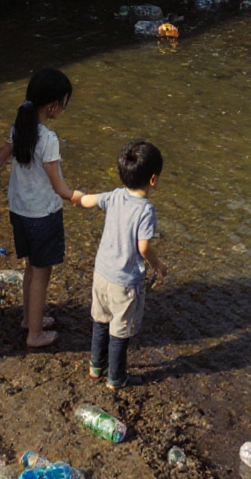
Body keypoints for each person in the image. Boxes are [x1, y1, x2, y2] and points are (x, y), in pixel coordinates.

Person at [0, 68, 78, 348]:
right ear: (54, 105)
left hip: (19, 212)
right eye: (65, 102)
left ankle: (28, 320)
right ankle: (35, 334)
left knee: (31, 269)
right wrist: (83, 197)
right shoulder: (48, 140)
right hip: (43, 216)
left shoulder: (19, 128)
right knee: (41, 275)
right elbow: (59, 187)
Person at [75, 139, 168, 389]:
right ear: (153, 179)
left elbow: (88, 200)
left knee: (101, 320)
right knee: (120, 330)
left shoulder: (115, 195)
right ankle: (115, 378)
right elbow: (144, 247)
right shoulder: (146, 210)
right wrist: (157, 265)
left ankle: (96, 366)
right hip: (124, 282)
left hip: (101, 274)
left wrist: (72, 195)